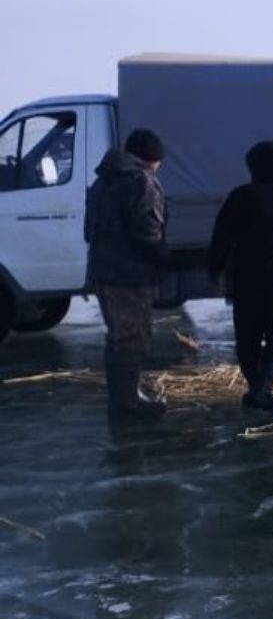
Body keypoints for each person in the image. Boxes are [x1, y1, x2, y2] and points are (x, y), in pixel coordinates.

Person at [207, 141, 273, 413]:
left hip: (246, 281)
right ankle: (263, 389)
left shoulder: (241, 196)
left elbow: (221, 236)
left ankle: (256, 389)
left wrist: (215, 268)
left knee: (247, 337)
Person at [85, 129, 169, 418]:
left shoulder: (102, 180)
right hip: (129, 274)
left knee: (117, 336)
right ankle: (130, 403)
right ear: (151, 158)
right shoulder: (140, 181)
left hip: (103, 270)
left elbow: (89, 231)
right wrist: (162, 259)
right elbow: (148, 232)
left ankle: (120, 400)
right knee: (133, 336)